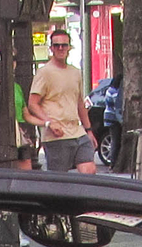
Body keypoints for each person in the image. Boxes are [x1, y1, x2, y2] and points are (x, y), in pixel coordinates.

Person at [27, 28, 96, 174]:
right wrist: (49, 122)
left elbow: (79, 103)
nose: (60, 48)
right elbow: (32, 104)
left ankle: (86, 197)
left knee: (89, 171)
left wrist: (88, 130)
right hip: (56, 135)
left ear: (69, 47)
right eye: (56, 45)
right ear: (51, 48)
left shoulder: (75, 72)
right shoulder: (44, 72)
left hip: (77, 132)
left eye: (64, 45)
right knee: (60, 180)